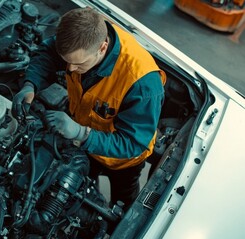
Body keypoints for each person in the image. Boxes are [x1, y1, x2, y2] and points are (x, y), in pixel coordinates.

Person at [12, 7, 166, 209]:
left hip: (121, 161)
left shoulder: (142, 84)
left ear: (102, 48)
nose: (70, 69)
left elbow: (133, 143)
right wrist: (30, 84)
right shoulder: (78, 40)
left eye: (78, 64)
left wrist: (81, 133)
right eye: (67, 62)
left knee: (122, 203)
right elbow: (48, 54)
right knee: (73, 189)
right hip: (81, 142)